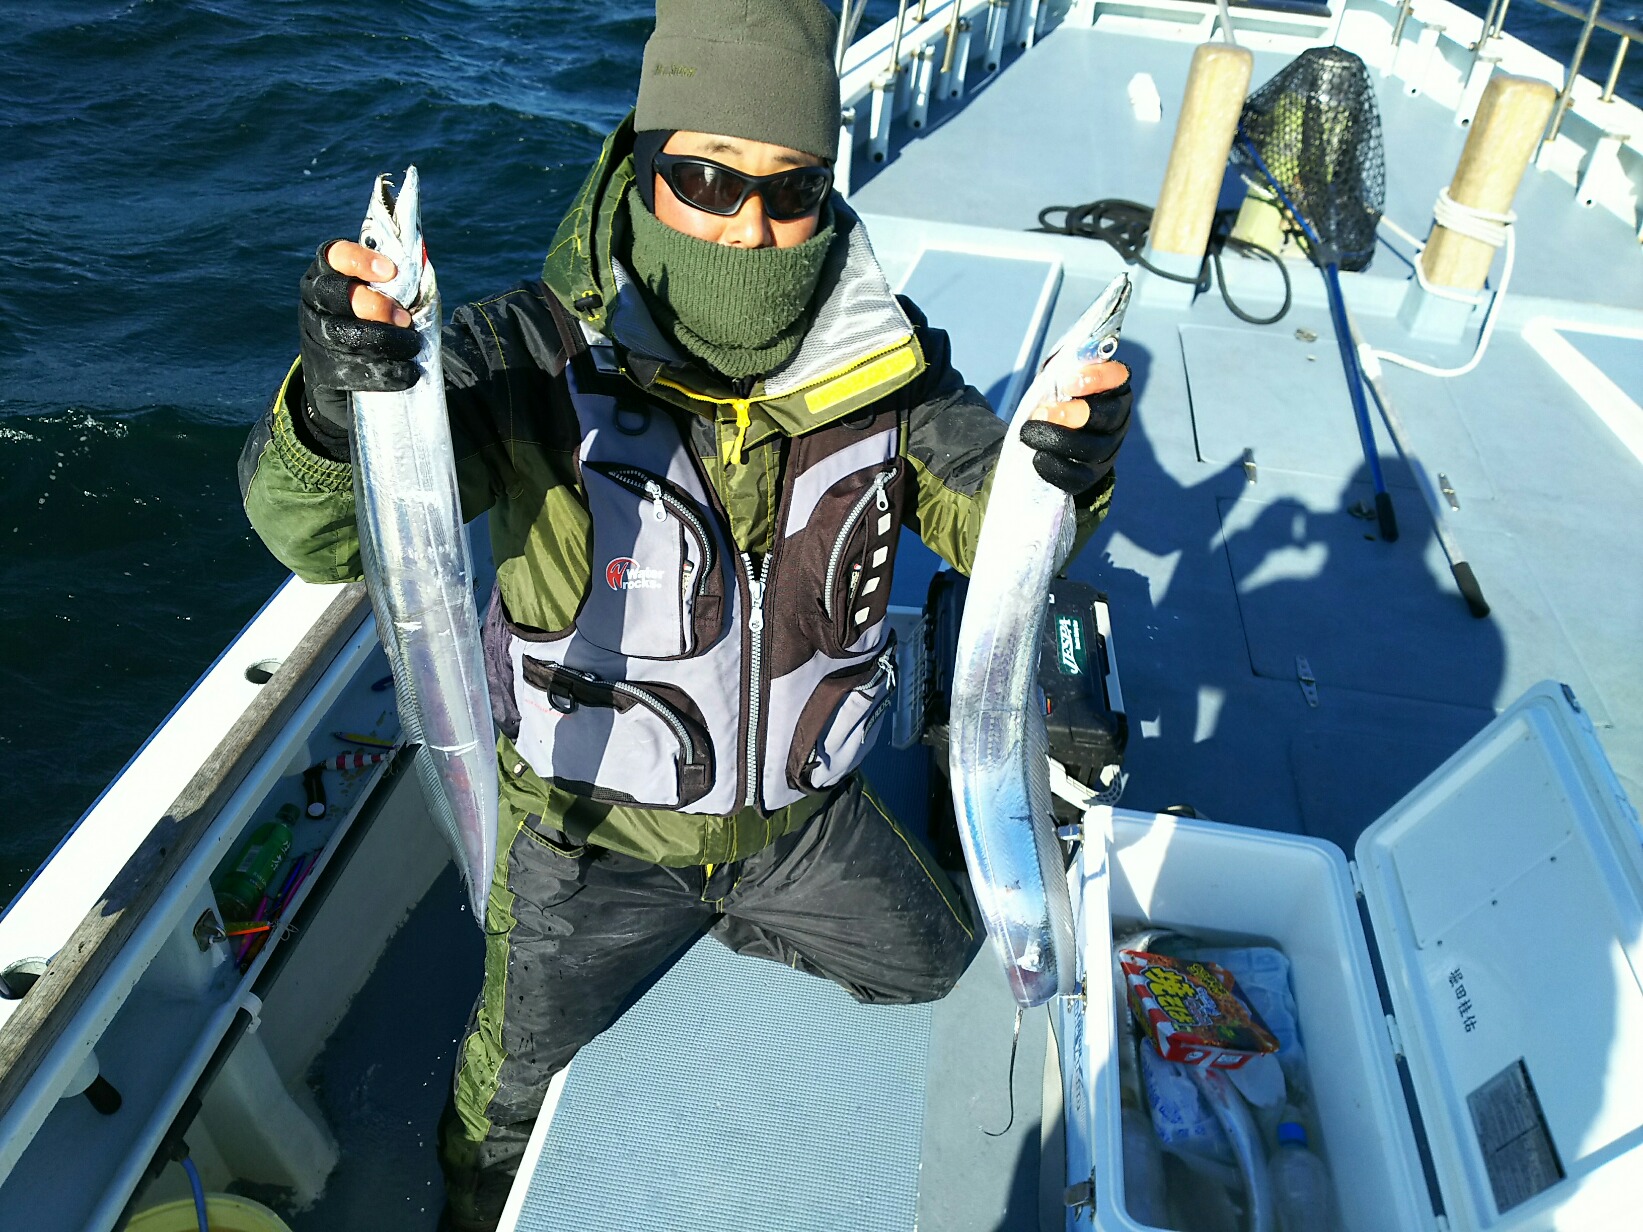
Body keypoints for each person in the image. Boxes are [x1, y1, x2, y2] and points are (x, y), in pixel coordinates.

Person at [239, 2, 1131, 1227]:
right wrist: (337, 407)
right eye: (705, 178)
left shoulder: (886, 357)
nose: (747, 225)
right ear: (644, 162)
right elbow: (319, 533)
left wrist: (1063, 470)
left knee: (939, 963)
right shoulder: (520, 354)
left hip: (801, 825)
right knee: (499, 1121)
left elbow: (993, 517)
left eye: (790, 188)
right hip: (585, 835)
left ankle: (736, 913)